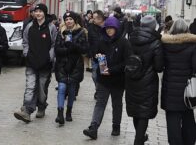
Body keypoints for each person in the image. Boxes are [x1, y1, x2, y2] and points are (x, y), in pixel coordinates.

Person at [83, 16, 132, 140]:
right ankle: (93, 127)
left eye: (112, 28)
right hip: (103, 79)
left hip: (118, 80)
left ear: (117, 29)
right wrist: (98, 58)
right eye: (107, 28)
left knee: (117, 104)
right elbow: (96, 54)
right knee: (100, 103)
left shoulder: (124, 42)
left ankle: (116, 126)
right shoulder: (101, 41)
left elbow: (127, 61)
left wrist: (112, 70)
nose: (109, 31)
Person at [14, 3, 57, 123]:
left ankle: (42, 107)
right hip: (31, 62)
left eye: (40, 11)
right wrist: (27, 53)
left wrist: (50, 57)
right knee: (30, 87)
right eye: (36, 11)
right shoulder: (29, 26)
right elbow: (25, 41)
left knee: (42, 89)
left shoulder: (51, 27)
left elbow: (54, 44)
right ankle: (26, 110)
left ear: (45, 13)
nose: (38, 13)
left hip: (45, 64)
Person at [126, 15, 164, 145]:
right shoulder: (156, 42)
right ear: (154, 26)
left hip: (131, 80)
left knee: (136, 110)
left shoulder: (131, 38)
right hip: (147, 83)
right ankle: (138, 140)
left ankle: (140, 137)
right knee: (144, 112)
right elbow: (159, 67)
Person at [161, 18, 196, 145]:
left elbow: (160, 65)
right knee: (188, 117)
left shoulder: (165, 45)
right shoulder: (193, 45)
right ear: (187, 29)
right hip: (188, 90)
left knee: (172, 120)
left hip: (170, 90)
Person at [54, 11, 88, 125]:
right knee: (62, 87)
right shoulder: (61, 32)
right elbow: (56, 49)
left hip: (76, 66)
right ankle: (60, 113)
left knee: (72, 89)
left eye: (70, 19)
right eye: (66, 19)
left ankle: (69, 111)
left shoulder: (81, 32)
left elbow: (85, 50)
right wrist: (66, 50)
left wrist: (74, 46)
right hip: (62, 65)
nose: (68, 21)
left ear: (75, 20)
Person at [88, 10, 105, 99]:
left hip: (103, 57)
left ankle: (101, 92)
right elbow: (89, 41)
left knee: (103, 74)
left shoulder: (106, 27)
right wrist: (90, 52)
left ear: (101, 18)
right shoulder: (91, 27)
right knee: (94, 76)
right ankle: (98, 90)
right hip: (94, 55)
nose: (93, 20)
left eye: (95, 18)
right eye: (93, 18)